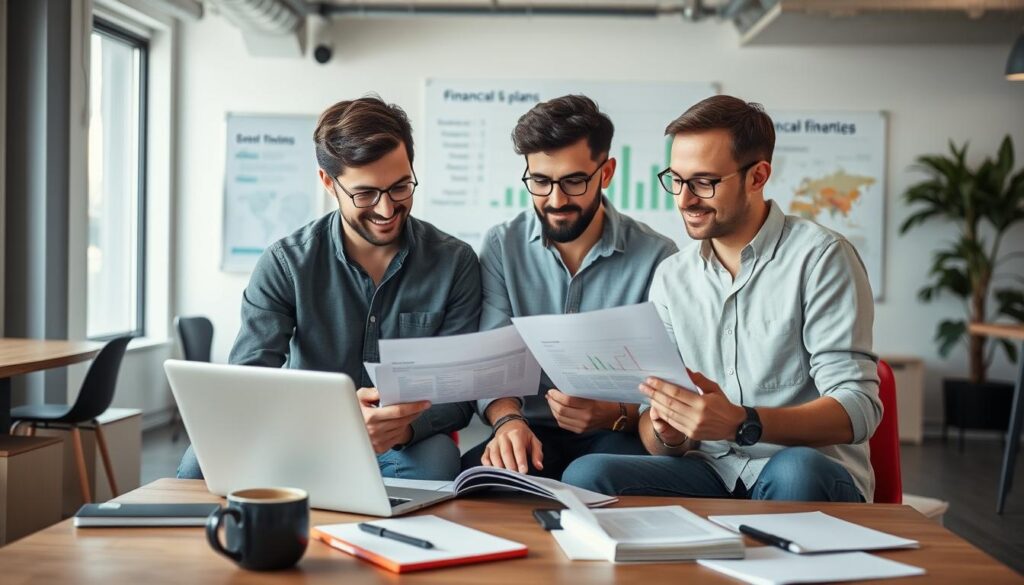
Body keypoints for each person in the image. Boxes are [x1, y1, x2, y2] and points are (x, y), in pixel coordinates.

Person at [562, 95, 882, 503]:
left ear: (758, 176)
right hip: (711, 471)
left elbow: (857, 408)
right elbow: (652, 428)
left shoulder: (821, 258)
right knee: (588, 474)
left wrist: (742, 423)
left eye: (703, 182)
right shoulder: (672, 276)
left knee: (795, 470)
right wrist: (667, 431)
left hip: (804, 472)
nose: (684, 199)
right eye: (676, 180)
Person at [177, 96, 480, 481]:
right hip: (302, 433)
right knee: (196, 464)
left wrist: (403, 428)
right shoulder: (286, 264)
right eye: (365, 193)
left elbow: (461, 394)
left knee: (437, 459)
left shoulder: (455, 263)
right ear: (327, 182)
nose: (387, 210)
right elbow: (248, 380)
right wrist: (333, 418)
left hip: (402, 442)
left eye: (401, 187)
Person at [460, 95, 678, 480]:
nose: (556, 200)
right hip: (528, 429)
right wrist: (508, 420)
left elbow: (667, 386)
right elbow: (492, 365)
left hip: (616, 435)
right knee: (474, 480)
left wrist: (614, 415)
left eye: (574, 181)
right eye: (540, 182)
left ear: (606, 173)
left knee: (592, 475)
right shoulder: (501, 246)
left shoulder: (658, 257)